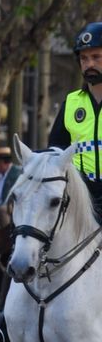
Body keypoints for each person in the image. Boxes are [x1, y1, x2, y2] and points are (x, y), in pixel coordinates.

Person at [47, 20, 102, 221]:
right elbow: (56, 150)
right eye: (84, 58)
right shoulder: (71, 102)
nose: (89, 64)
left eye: (96, 57)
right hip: (81, 198)